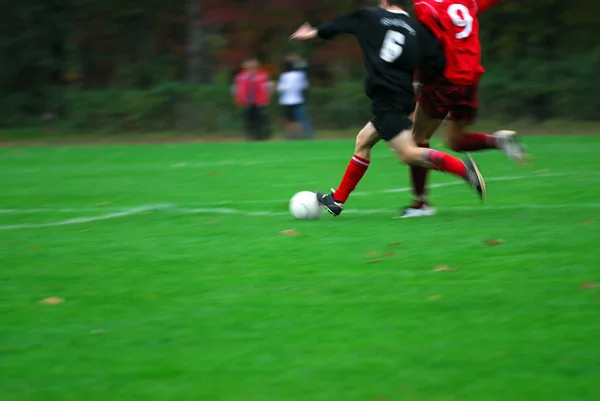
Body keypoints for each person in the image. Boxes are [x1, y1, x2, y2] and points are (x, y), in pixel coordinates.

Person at [290, 0, 485, 217]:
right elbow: (437, 60)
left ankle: (464, 171)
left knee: (409, 154)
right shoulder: (417, 28)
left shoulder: (370, 17)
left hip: (385, 96)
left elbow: (341, 24)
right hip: (404, 95)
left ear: (384, 1)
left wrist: (314, 32)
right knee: (363, 140)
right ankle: (337, 200)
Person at [398, 0, 528, 218]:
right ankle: (498, 141)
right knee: (456, 141)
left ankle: (421, 204)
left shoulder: (425, 7)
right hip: (470, 80)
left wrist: (417, 84)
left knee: (416, 141)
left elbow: (428, 46)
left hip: (446, 80)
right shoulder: (467, 1)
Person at [233, 57, 272, 141]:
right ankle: (251, 137)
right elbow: (237, 89)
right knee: (249, 120)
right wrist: (239, 100)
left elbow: (267, 88)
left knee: (261, 119)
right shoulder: (241, 76)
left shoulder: (262, 75)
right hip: (247, 102)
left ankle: (262, 136)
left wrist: (267, 98)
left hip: (259, 101)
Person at [277, 58, 308, 139]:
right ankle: (299, 135)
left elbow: (281, 88)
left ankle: (289, 135)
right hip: (298, 99)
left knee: (289, 119)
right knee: (298, 119)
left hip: (286, 100)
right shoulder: (300, 75)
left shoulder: (284, 76)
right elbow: (304, 86)